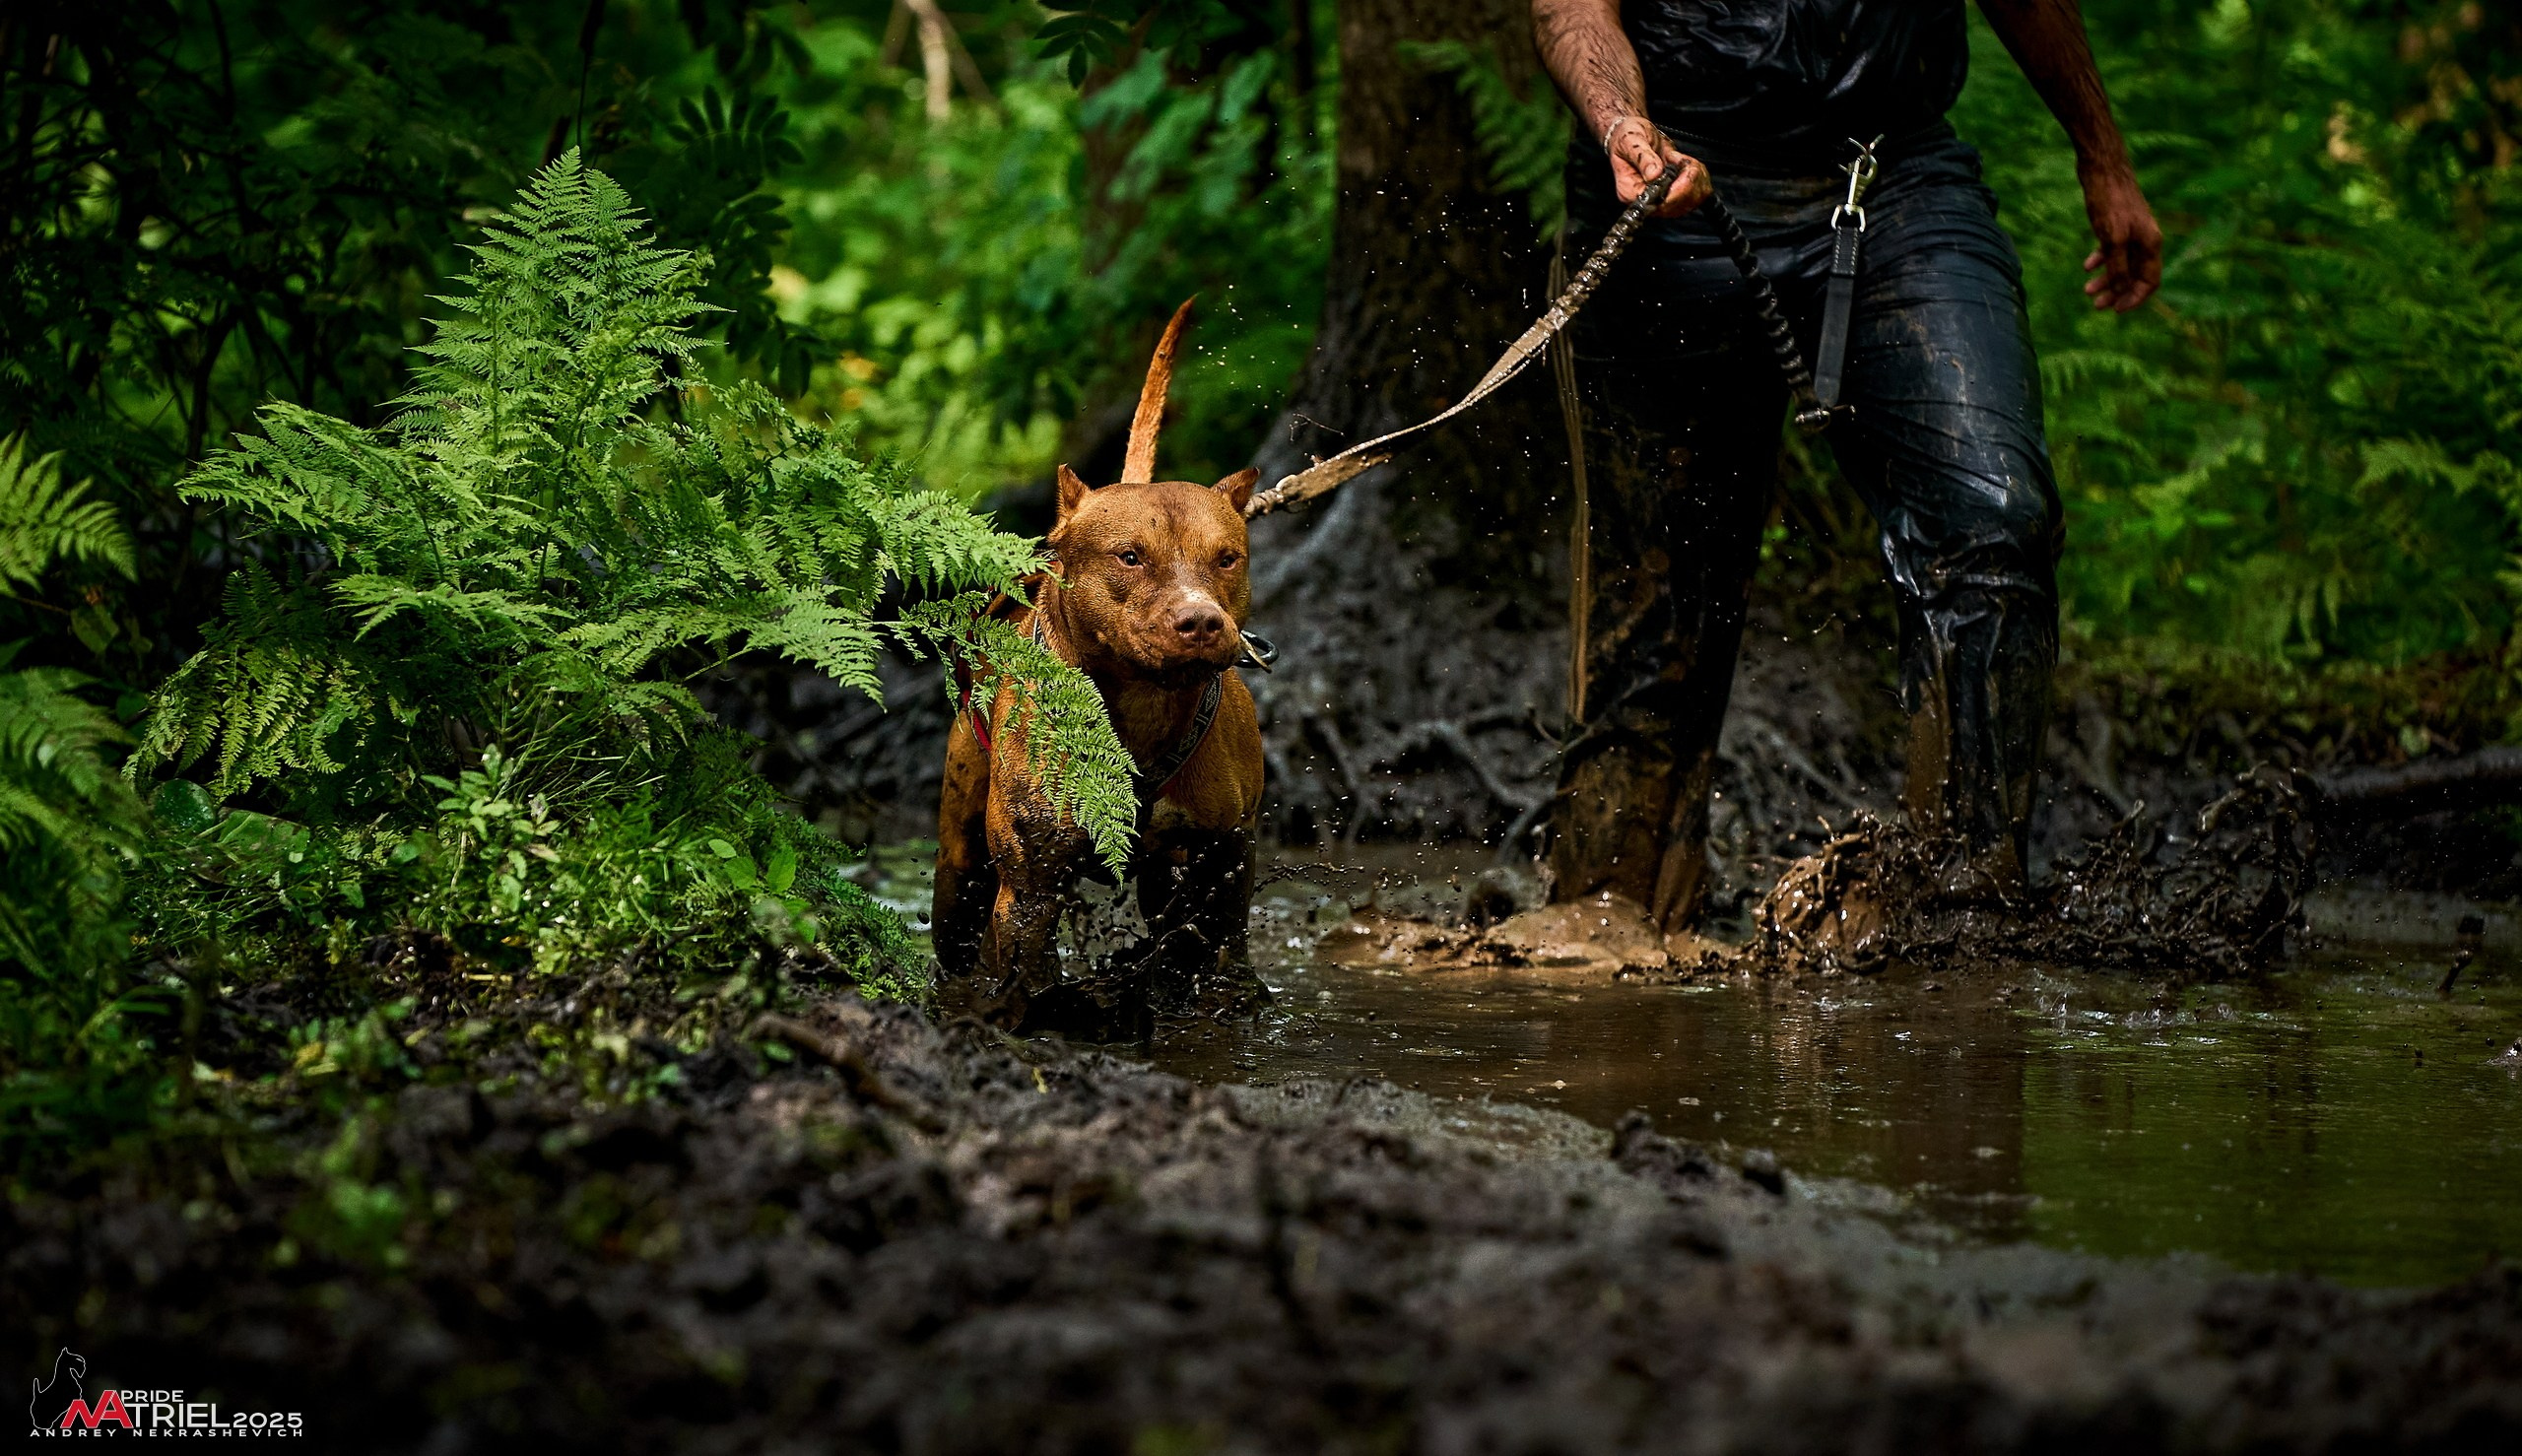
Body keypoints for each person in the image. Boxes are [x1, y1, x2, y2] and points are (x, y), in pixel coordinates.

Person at [1531, 0, 2160, 924]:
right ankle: (1606, 937)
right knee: (1653, 612)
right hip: (1668, 174)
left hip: (1892, 176)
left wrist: (2102, 155)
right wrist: (1621, 121)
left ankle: (1957, 927)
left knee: (1995, 516)